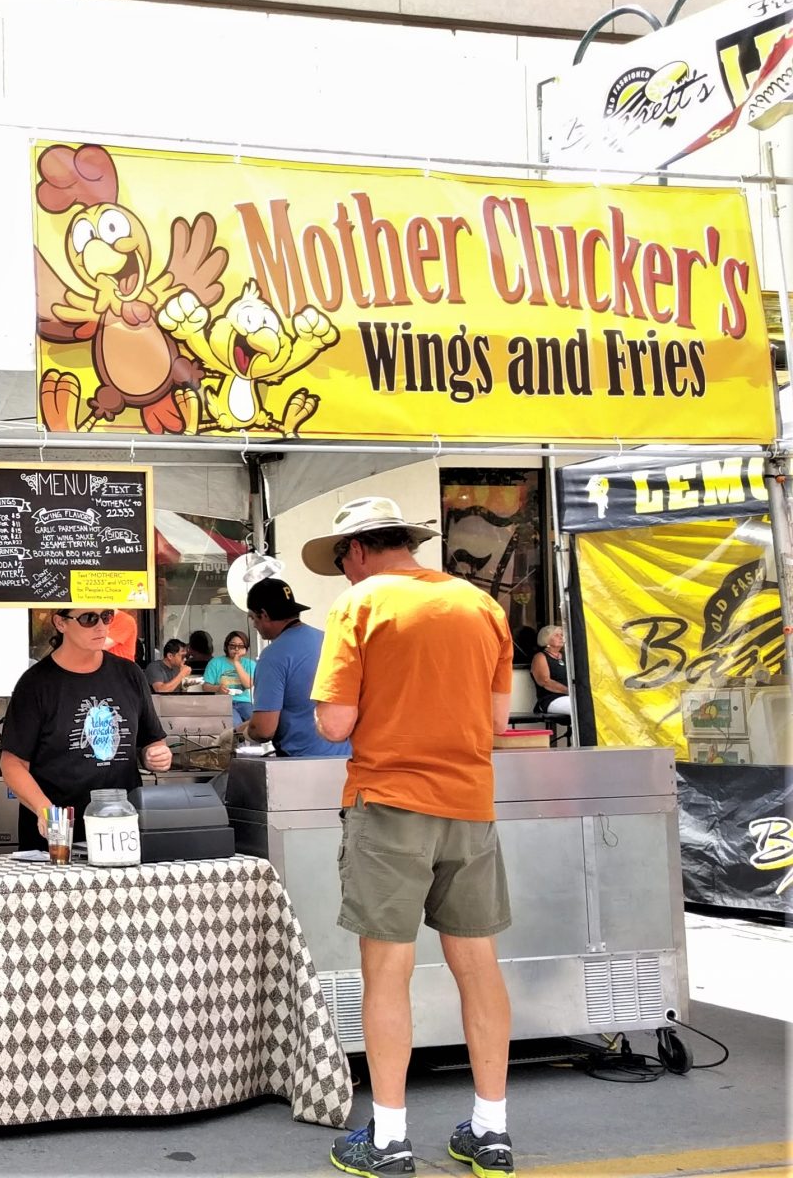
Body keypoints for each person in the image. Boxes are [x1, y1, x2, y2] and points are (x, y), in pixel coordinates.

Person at [302, 497, 515, 1178]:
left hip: (390, 803)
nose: (344, 574)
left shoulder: (361, 604)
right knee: (479, 967)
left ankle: (389, 1139)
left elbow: (334, 724)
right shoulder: (482, 606)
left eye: (340, 561)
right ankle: (491, 1131)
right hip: (469, 806)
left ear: (357, 550)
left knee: (386, 973)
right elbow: (496, 719)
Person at [0, 607, 173, 853]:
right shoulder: (36, 684)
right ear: (60, 622)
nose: (101, 626)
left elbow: (152, 741)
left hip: (121, 833)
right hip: (58, 841)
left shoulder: (130, 674)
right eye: (88, 618)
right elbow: (12, 763)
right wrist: (45, 811)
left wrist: (155, 755)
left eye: (106, 617)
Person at [244, 577, 347, 758]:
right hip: (347, 758)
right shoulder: (331, 641)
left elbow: (264, 729)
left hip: (302, 764)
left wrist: (243, 734)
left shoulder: (273, 656)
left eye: (253, 618)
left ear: (264, 615)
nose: (254, 625)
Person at [203, 630, 258, 723]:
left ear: (245, 648)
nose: (236, 649)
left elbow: (248, 685)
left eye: (240, 646)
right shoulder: (215, 662)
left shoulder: (250, 664)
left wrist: (236, 662)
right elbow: (205, 686)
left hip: (244, 701)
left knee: (256, 721)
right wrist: (217, 688)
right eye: (233, 646)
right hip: (223, 701)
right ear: (226, 646)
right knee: (235, 723)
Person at [529, 625, 572, 716]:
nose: (561, 637)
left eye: (562, 635)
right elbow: (545, 682)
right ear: (546, 639)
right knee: (579, 708)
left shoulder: (567, 656)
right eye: (556, 635)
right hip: (551, 699)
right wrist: (570, 691)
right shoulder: (540, 657)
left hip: (570, 697)